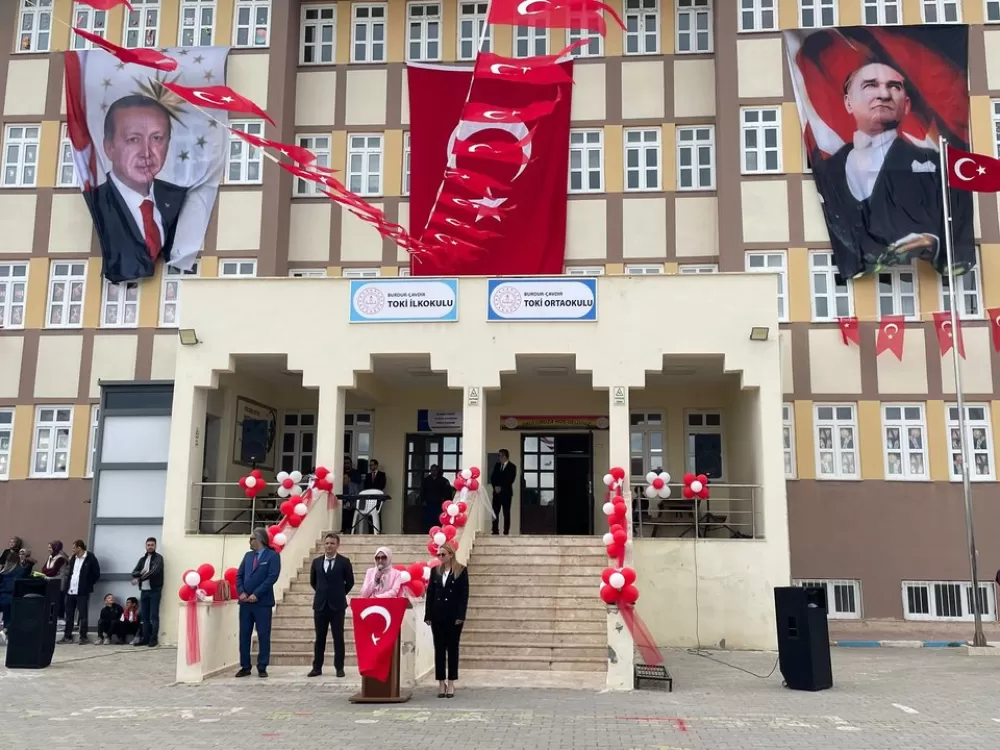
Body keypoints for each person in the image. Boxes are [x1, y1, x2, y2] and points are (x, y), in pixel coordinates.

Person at [811, 58, 972, 276]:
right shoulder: (828, 171)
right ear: (848, 103)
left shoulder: (935, 165)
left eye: (894, 87)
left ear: (906, 105)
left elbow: (959, 226)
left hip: (913, 282)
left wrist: (934, 243)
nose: (884, 94)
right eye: (870, 85)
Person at [85, 94, 188, 283]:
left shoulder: (183, 198)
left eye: (156, 138)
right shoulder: (96, 201)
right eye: (133, 139)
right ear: (109, 147)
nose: (147, 153)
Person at [425, 541, 469, 699]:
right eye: (438, 554)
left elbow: (464, 595)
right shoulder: (435, 571)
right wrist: (428, 615)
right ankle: (441, 682)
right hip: (438, 614)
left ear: (451, 555)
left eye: (443, 554)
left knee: (452, 649)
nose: (440, 557)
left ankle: (451, 682)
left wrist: (461, 615)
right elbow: (430, 593)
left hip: (453, 615)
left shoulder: (460, 570)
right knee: (439, 649)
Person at [235, 528, 281, 678]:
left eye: (252, 538)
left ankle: (262, 666)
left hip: (262, 603)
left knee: (263, 634)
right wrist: (241, 591)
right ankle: (245, 666)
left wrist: (257, 593)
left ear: (260, 539)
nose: (250, 541)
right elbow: (239, 575)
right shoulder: (248, 556)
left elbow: (272, 577)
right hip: (245, 603)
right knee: (244, 635)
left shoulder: (272, 556)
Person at [308, 533, 354, 678]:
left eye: (332, 543)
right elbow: (313, 581)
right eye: (327, 543)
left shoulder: (344, 562)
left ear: (337, 545)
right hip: (320, 605)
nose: (329, 546)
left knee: (338, 637)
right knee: (320, 637)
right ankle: (317, 667)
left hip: (337, 606)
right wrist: (323, 593)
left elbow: (350, 582)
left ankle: (339, 667)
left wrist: (339, 593)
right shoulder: (316, 562)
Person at [61, 540, 101, 645]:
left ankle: (83, 637)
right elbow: (71, 573)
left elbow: (96, 574)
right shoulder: (73, 558)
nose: (72, 550)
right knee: (69, 615)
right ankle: (67, 636)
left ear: (79, 548)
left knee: (83, 615)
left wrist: (87, 584)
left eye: (74, 548)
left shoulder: (90, 558)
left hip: (82, 591)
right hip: (70, 590)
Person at [130, 537, 164, 647]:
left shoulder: (158, 558)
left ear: (155, 546)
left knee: (153, 616)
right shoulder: (142, 559)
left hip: (154, 591)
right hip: (144, 591)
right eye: (148, 545)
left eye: (152, 545)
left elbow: (153, 572)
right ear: (145, 546)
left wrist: (139, 579)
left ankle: (154, 639)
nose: (150, 547)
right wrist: (140, 573)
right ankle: (145, 638)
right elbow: (134, 572)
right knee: (144, 616)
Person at [0, 548, 35, 635]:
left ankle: (5, 629)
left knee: (6, 615)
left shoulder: (2, 573)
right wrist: (30, 563)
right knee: (13, 618)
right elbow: (27, 572)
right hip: (14, 598)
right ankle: (7, 631)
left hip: (2, 598)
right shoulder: (20, 571)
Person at [490, 449, 518, 536]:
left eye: (499, 456)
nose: (498, 458)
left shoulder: (512, 467)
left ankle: (506, 532)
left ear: (504, 456)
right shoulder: (497, 465)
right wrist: (495, 486)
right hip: (496, 494)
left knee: (506, 513)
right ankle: (495, 531)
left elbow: (510, 479)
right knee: (495, 512)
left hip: (506, 494)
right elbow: (493, 477)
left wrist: (501, 487)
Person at [421, 464, 454, 533]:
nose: (433, 471)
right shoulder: (426, 480)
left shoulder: (443, 481)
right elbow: (422, 491)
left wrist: (446, 502)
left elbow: (448, 492)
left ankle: (439, 531)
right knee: (428, 519)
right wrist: (423, 500)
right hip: (429, 504)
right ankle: (428, 531)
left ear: (437, 471)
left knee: (438, 518)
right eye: (432, 470)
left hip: (439, 504)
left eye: (435, 470)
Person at [41, 540, 70, 620]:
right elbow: (43, 569)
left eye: (50, 547)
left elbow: (53, 572)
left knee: (58, 601)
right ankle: (51, 617)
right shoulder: (50, 557)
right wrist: (48, 571)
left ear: (55, 548)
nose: (48, 549)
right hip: (50, 582)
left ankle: (60, 618)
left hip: (58, 583)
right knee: (51, 600)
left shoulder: (60, 558)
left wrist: (48, 572)